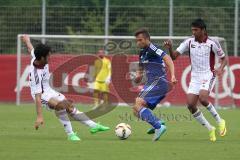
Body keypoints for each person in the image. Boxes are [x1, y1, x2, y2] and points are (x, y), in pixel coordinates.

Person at [22, 35, 110, 141]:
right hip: (40, 95)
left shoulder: (37, 56)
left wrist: (27, 40)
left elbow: (31, 49)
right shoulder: (36, 74)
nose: (50, 58)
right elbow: (37, 97)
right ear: (41, 58)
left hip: (49, 90)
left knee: (69, 107)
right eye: (48, 56)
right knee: (60, 106)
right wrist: (39, 116)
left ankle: (94, 126)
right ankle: (70, 134)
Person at [164, 18, 227, 142]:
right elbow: (174, 56)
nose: (193, 32)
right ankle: (210, 128)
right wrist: (170, 47)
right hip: (195, 77)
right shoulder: (188, 42)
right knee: (191, 105)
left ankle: (220, 121)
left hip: (208, 74)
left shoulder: (212, 43)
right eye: (192, 30)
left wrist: (220, 68)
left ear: (203, 30)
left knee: (203, 98)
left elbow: (224, 58)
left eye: (196, 30)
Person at [133, 28, 177, 141]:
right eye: (136, 40)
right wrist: (137, 77)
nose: (138, 42)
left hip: (158, 82)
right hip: (151, 83)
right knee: (135, 111)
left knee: (138, 104)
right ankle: (157, 122)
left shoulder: (153, 48)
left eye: (140, 40)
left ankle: (158, 126)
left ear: (147, 39)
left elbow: (168, 59)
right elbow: (139, 73)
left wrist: (172, 75)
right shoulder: (142, 53)